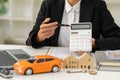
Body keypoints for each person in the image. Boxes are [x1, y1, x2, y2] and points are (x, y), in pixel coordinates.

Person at [26, 0, 120, 54]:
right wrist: (39, 37)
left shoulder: (98, 5)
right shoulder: (48, 4)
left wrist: (95, 43)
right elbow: (29, 41)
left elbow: (117, 39)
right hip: (53, 61)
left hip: (85, 62)